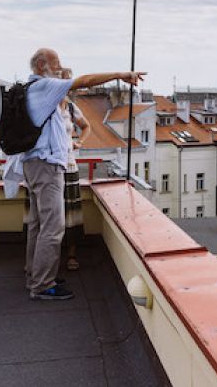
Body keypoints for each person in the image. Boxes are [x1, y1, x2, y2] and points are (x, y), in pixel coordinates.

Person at [23, 48, 144, 300]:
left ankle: (34, 274)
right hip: (47, 166)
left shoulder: (29, 89)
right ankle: (42, 285)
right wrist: (120, 74)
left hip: (33, 163)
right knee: (53, 226)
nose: (59, 68)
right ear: (43, 65)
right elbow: (85, 81)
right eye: (56, 63)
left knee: (38, 224)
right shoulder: (46, 86)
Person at [58, 68, 91, 271]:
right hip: (49, 166)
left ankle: (71, 254)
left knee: (70, 212)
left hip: (69, 166)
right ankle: (48, 256)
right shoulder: (47, 106)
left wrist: (79, 143)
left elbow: (86, 126)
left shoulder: (70, 108)